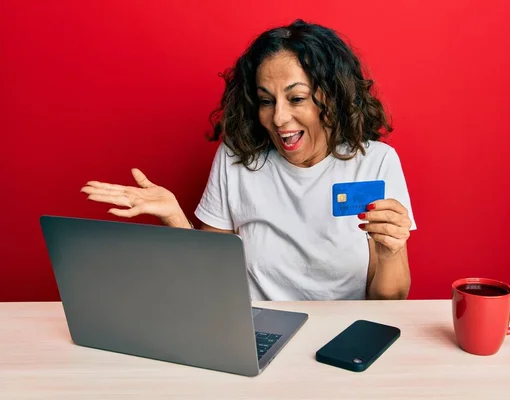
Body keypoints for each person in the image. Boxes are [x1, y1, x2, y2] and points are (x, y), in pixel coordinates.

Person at [81, 19, 417, 301]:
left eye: (296, 98)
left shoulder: (375, 162)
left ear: (332, 95)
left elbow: (389, 301)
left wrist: (391, 251)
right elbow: (210, 285)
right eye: (266, 101)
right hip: (254, 329)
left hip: (342, 334)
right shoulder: (236, 159)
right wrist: (175, 217)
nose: (279, 118)